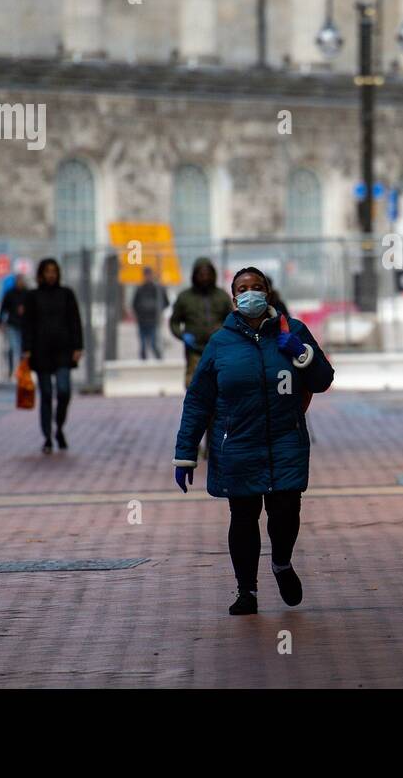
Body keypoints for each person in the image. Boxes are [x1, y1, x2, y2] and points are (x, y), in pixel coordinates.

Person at [173, 267, 334, 616]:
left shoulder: (295, 332)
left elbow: (322, 380)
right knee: (243, 517)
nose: (251, 293)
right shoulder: (221, 343)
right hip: (238, 446)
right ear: (234, 300)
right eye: (243, 289)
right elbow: (199, 399)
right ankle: (247, 590)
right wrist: (185, 453)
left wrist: (302, 354)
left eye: (257, 287)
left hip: (285, 440)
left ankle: (281, 563)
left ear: (268, 293)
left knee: (285, 512)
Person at [21, 258, 84, 455]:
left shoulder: (66, 294)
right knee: (46, 394)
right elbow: (27, 325)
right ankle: (47, 436)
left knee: (64, 390)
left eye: (54, 271)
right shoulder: (32, 296)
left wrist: (78, 346)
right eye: (47, 271)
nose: (51, 274)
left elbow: (75, 321)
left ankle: (59, 426)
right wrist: (27, 349)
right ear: (41, 274)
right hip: (40, 353)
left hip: (63, 351)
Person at [169, 257, 232, 386]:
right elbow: (174, 322)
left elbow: (233, 320)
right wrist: (183, 335)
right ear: (194, 275)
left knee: (220, 384)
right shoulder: (185, 297)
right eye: (201, 274)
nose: (204, 278)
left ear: (213, 275)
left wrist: (224, 332)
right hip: (194, 350)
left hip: (219, 349)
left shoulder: (222, 296)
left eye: (208, 274)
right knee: (194, 385)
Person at [131, 267, 170, 360]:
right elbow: (134, 304)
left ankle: (159, 359)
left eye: (149, 274)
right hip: (142, 321)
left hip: (154, 321)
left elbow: (166, 302)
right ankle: (143, 361)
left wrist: (159, 310)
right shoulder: (140, 289)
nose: (148, 277)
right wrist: (138, 314)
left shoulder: (158, 289)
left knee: (154, 342)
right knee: (143, 344)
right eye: (146, 275)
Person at [0, 273, 28, 375]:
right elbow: (3, 308)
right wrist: (0, 322)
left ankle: (21, 368)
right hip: (12, 324)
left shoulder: (28, 293)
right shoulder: (10, 293)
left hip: (24, 324)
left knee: (21, 347)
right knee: (12, 346)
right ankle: (12, 369)